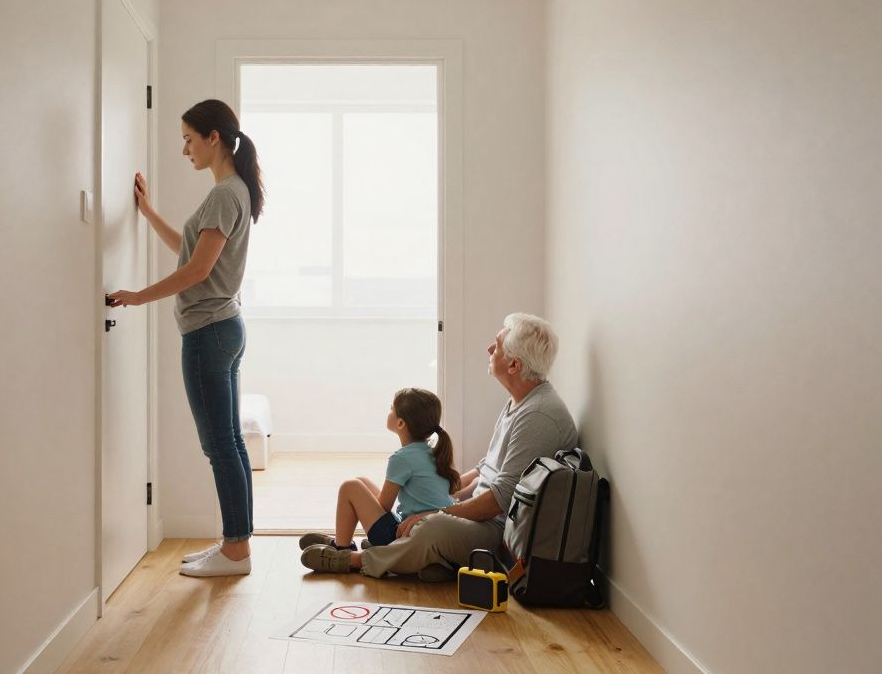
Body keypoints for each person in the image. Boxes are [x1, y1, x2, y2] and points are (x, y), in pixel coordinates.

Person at [108, 99, 264, 578]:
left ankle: (236, 551)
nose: (183, 149)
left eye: (188, 139)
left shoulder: (224, 195)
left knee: (220, 445)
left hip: (208, 332)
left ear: (213, 137)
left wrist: (136, 297)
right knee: (229, 443)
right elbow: (190, 249)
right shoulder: (233, 191)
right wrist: (149, 212)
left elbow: (198, 270)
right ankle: (235, 544)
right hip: (226, 327)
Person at [299, 314, 578, 580]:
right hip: (478, 515)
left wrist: (437, 512)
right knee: (425, 519)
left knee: (430, 527)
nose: (490, 348)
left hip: (494, 531)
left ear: (514, 365)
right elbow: (486, 470)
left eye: (498, 345)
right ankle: (434, 562)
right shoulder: (519, 403)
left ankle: (355, 560)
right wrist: (448, 487)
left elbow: (497, 502)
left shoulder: (538, 416)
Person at [297, 388, 460, 555]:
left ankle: (342, 548)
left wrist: (363, 503)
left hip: (401, 537)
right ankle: (342, 539)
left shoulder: (402, 459)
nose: (389, 411)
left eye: (391, 409)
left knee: (350, 487)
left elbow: (384, 505)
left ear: (401, 423)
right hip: (419, 530)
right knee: (362, 482)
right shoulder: (434, 451)